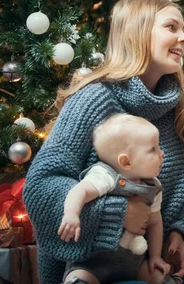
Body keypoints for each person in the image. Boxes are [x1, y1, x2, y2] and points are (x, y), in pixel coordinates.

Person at [23, 0, 184, 284]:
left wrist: (183, 235)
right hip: (92, 269)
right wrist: (118, 215)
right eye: (171, 27)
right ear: (137, 33)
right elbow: (41, 187)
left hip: (157, 267)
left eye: (183, 29)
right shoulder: (93, 100)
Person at [58, 114, 173, 284]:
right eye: (153, 149)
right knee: (78, 278)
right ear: (126, 162)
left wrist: (155, 257)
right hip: (94, 261)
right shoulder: (105, 176)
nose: (162, 153)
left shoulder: (153, 186)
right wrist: (71, 214)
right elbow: (79, 191)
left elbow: (155, 222)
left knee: (160, 278)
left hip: (134, 262)